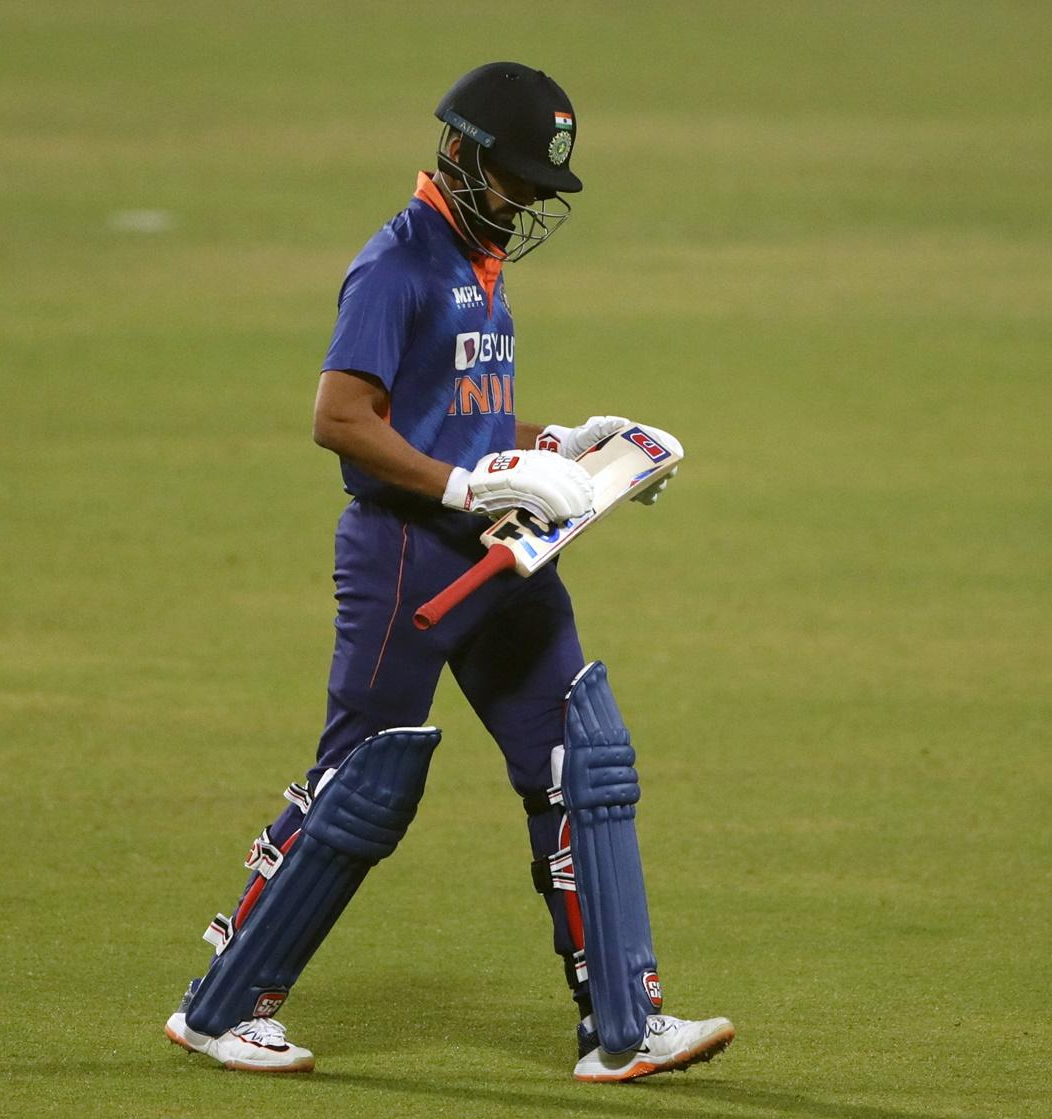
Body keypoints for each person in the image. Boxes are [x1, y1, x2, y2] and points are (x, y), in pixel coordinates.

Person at [164, 61, 734, 1082]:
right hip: (406, 556)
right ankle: (224, 1005)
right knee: (363, 781)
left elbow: (456, 419)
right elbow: (340, 421)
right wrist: (466, 493)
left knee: (581, 756)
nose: (523, 203)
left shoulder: (478, 264)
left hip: (500, 552)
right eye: (512, 178)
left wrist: (560, 443)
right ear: (461, 155)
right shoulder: (397, 266)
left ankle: (621, 1025)